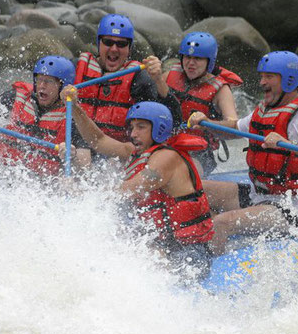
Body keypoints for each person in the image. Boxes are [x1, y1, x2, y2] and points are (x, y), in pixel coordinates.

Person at [188, 51, 298, 255]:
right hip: (259, 194)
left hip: (293, 208)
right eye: (261, 76)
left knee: (222, 223)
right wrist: (206, 124)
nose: (262, 82)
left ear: (288, 80)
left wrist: (288, 143)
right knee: (192, 189)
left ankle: (203, 272)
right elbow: (234, 128)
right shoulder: (265, 108)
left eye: (269, 76)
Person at [59, 85, 215, 280]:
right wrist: (74, 107)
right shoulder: (136, 152)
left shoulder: (166, 159)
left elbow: (127, 190)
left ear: (159, 128)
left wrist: (80, 193)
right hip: (161, 245)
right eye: (132, 127)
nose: (133, 134)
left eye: (141, 127)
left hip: (188, 255)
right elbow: (98, 140)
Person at [73, 13, 181, 143]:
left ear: (129, 49)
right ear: (99, 43)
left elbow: (173, 122)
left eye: (121, 44)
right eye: (108, 42)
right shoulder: (76, 67)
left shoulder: (139, 78)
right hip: (75, 146)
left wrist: (158, 80)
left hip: (117, 152)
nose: (114, 49)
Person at [153, 32, 243, 176]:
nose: (190, 63)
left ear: (209, 61)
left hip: (199, 153)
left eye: (198, 58)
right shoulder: (167, 77)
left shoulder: (221, 90)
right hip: (165, 144)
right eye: (187, 57)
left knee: (179, 174)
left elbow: (235, 129)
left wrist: (208, 122)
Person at [0, 55, 91, 177]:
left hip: (42, 183)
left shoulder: (73, 116)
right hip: (1, 173)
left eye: (49, 81)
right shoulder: (15, 98)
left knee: (68, 184)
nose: (42, 86)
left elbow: (86, 165)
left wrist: (72, 154)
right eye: (39, 79)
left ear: (63, 86)